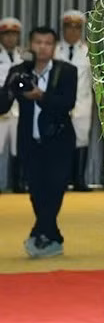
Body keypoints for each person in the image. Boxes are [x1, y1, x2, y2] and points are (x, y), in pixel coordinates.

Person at [0, 27, 78, 257]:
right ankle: (52, 236)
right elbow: (3, 107)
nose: (42, 47)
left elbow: (67, 103)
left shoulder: (66, 71)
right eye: (38, 42)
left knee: (55, 189)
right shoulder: (18, 71)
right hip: (29, 141)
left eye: (47, 43)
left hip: (59, 140)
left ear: (54, 47)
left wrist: (40, 96)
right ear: (29, 45)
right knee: (36, 191)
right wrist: (10, 88)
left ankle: (38, 233)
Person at [53, 10, 98, 191]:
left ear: (81, 30)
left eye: (77, 28)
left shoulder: (89, 51)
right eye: (69, 27)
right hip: (59, 104)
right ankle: (60, 180)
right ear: (63, 29)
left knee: (81, 139)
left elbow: (94, 79)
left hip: (82, 103)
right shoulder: (54, 50)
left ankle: (79, 179)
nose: (73, 31)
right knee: (58, 141)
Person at [0, 17, 22, 193]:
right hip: (0, 111)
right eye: (6, 34)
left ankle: (18, 184)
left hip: (18, 110)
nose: (10, 38)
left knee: (18, 149)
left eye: (13, 34)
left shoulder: (23, 55)